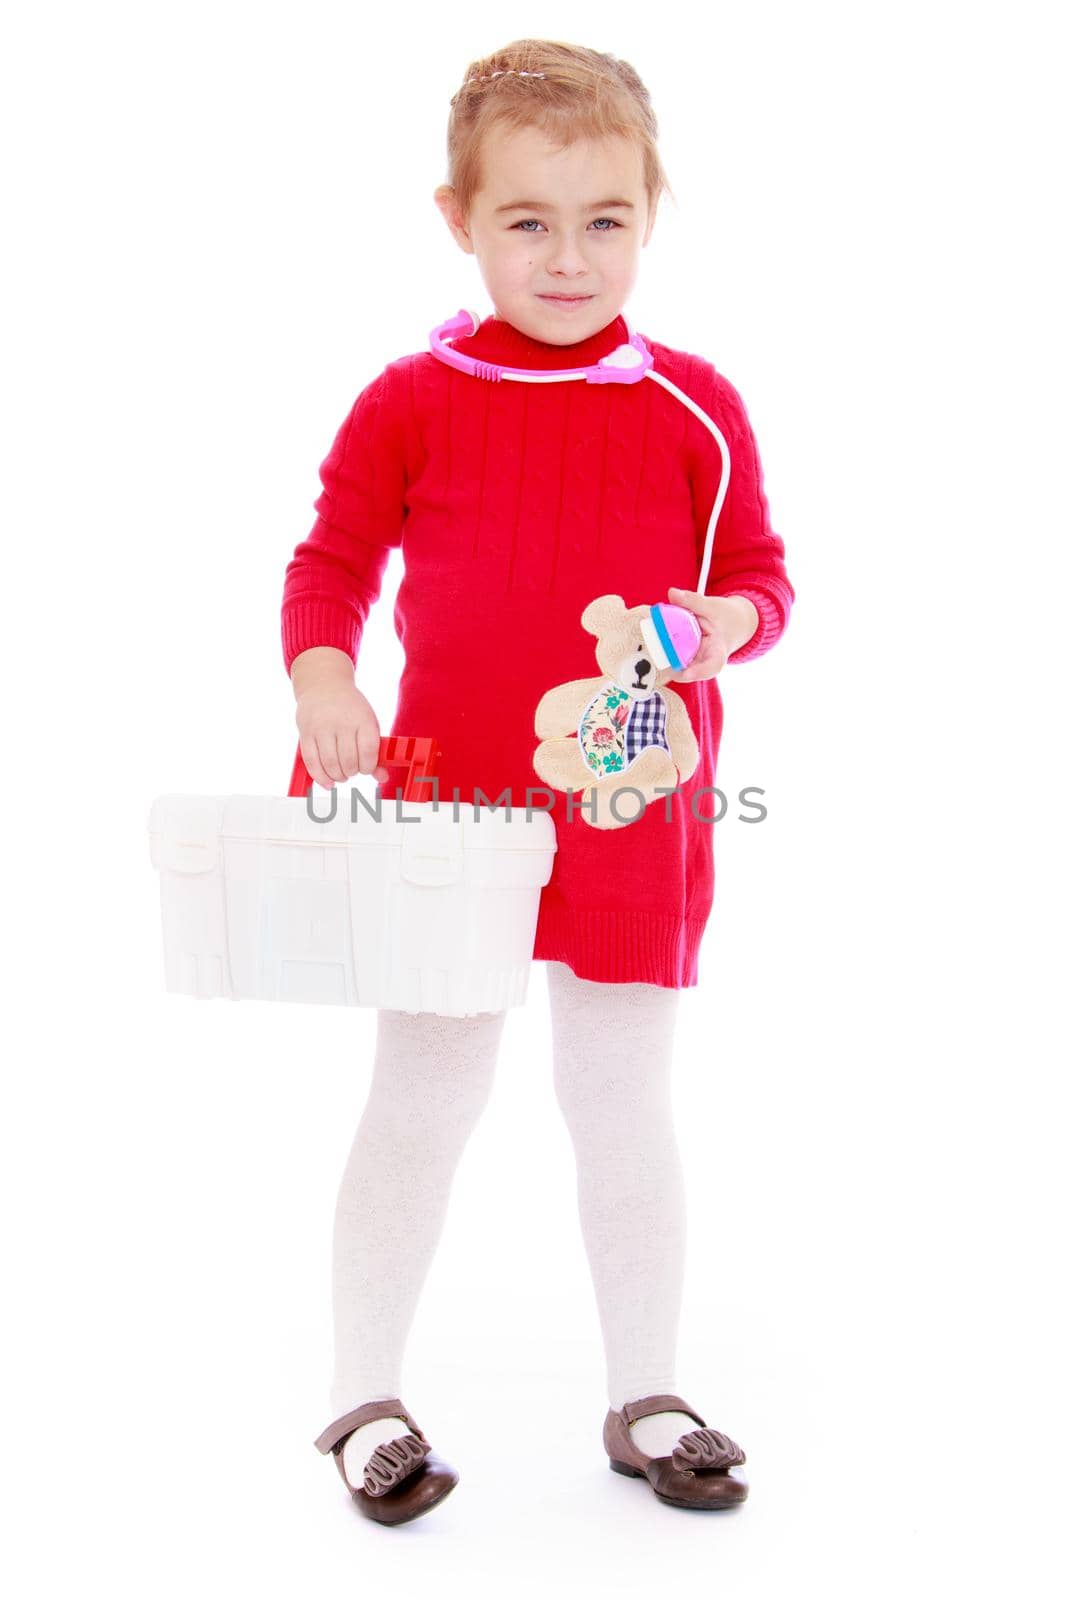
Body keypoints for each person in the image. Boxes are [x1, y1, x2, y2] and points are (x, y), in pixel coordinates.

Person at [281, 38, 795, 1525]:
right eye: (527, 221)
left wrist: (720, 625)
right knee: (424, 1098)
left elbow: (761, 580)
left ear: (649, 211)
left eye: (603, 220)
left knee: (620, 1101)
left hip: (637, 814)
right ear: (458, 215)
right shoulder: (410, 399)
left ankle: (646, 1389)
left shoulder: (693, 403)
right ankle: (358, 1394)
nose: (568, 257)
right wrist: (325, 672)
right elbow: (331, 561)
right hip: (453, 811)